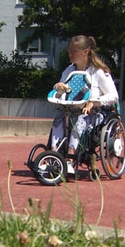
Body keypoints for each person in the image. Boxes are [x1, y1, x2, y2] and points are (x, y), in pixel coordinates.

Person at [51, 35, 119, 174]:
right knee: (58, 119)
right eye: (69, 51)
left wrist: (94, 102)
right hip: (71, 110)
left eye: (73, 52)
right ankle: (54, 157)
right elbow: (59, 91)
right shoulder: (69, 70)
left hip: (96, 113)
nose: (70, 54)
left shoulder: (98, 72)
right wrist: (58, 87)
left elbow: (114, 96)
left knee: (81, 120)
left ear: (86, 51)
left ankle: (70, 159)